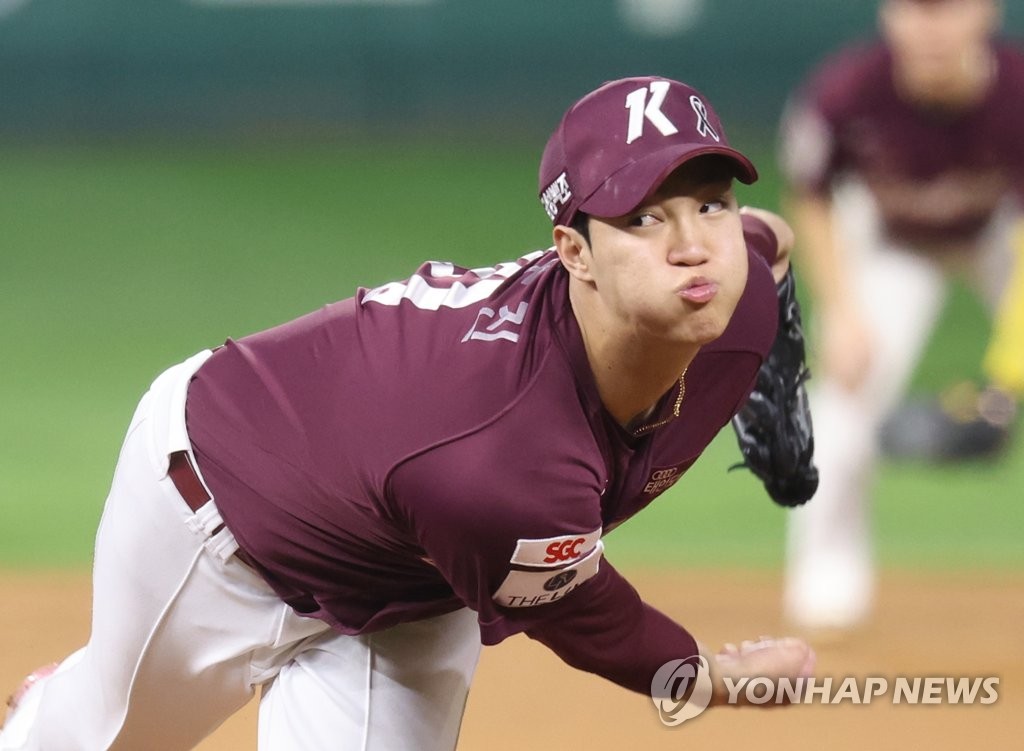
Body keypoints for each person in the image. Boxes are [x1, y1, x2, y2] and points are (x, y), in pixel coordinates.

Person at [1, 76, 816, 750]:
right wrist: (711, 675)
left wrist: (774, 328)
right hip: (217, 503)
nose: (692, 245)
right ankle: (68, 702)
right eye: (643, 217)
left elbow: (767, 238)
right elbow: (589, 614)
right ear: (574, 254)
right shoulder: (499, 459)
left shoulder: (725, 293)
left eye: (708, 204)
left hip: (408, 570)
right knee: (104, 737)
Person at [779, 0, 1024, 632]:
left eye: (948, 9)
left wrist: (1007, 378)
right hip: (893, 243)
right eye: (915, 9)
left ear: (988, 13)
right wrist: (844, 313)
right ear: (889, 15)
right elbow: (811, 195)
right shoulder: (846, 91)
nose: (930, 26)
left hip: (998, 234)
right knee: (846, 389)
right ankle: (826, 566)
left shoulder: (1018, 93)